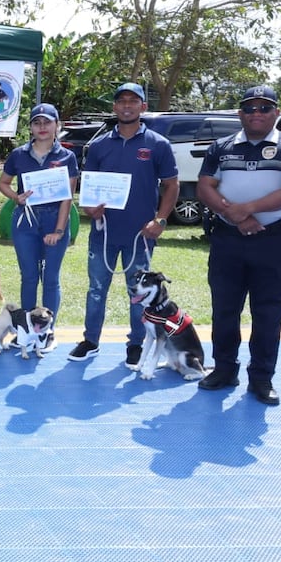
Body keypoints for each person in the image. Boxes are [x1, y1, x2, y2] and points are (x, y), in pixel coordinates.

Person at [195, 85, 281, 406]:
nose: (256, 114)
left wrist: (246, 209)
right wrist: (235, 215)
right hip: (227, 240)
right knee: (225, 310)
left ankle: (261, 378)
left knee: (268, 315)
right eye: (249, 108)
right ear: (239, 114)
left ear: (277, 113)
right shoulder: (221, 146)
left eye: (264, 108)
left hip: (274, 241)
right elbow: (205, 186)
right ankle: (224, 369)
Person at [67, 83, 179, 366]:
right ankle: (91, 340)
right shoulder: (99, 145)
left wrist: (161, 219)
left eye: (133, 101)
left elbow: (171, 184)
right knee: (96, 289)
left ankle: (136, 344)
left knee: (138, 292)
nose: (127, 106)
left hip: (140, 234)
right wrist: (90, 207)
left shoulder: (158, 144)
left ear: (143, 107)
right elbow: (89, 186)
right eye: (121, 101)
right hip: (104, 233)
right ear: (114, 107)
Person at [0, 103, 79, 349]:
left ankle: (47, 332)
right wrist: (15, 197)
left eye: (47, 122)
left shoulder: (67, 156)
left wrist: (59, 230)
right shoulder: (19, 155)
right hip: (26, 219)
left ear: (57, 125)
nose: (42, 127)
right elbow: (3, 183)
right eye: (37, 122)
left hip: (55, 218)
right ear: (31, 127)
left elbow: (68, 197)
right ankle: (25, 330)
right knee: (29, 277)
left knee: (51, 278)